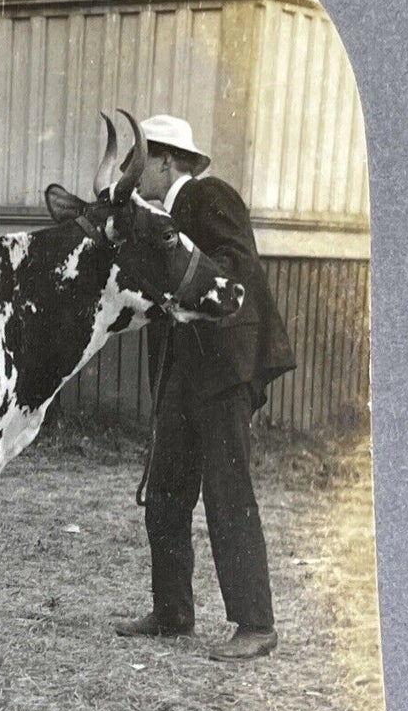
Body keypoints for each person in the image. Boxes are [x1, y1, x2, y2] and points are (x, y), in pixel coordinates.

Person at [115, 114, 296, 661]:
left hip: (221, 370)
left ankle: (256, 623)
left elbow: (238, 269)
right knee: (167, 490)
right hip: (182, 371)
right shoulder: (160, 216)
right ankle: (173, 612)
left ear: (166, 160)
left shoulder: (210, 195)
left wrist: (183, 272)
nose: (131, 171)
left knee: (227, 493)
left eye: (138, 160)